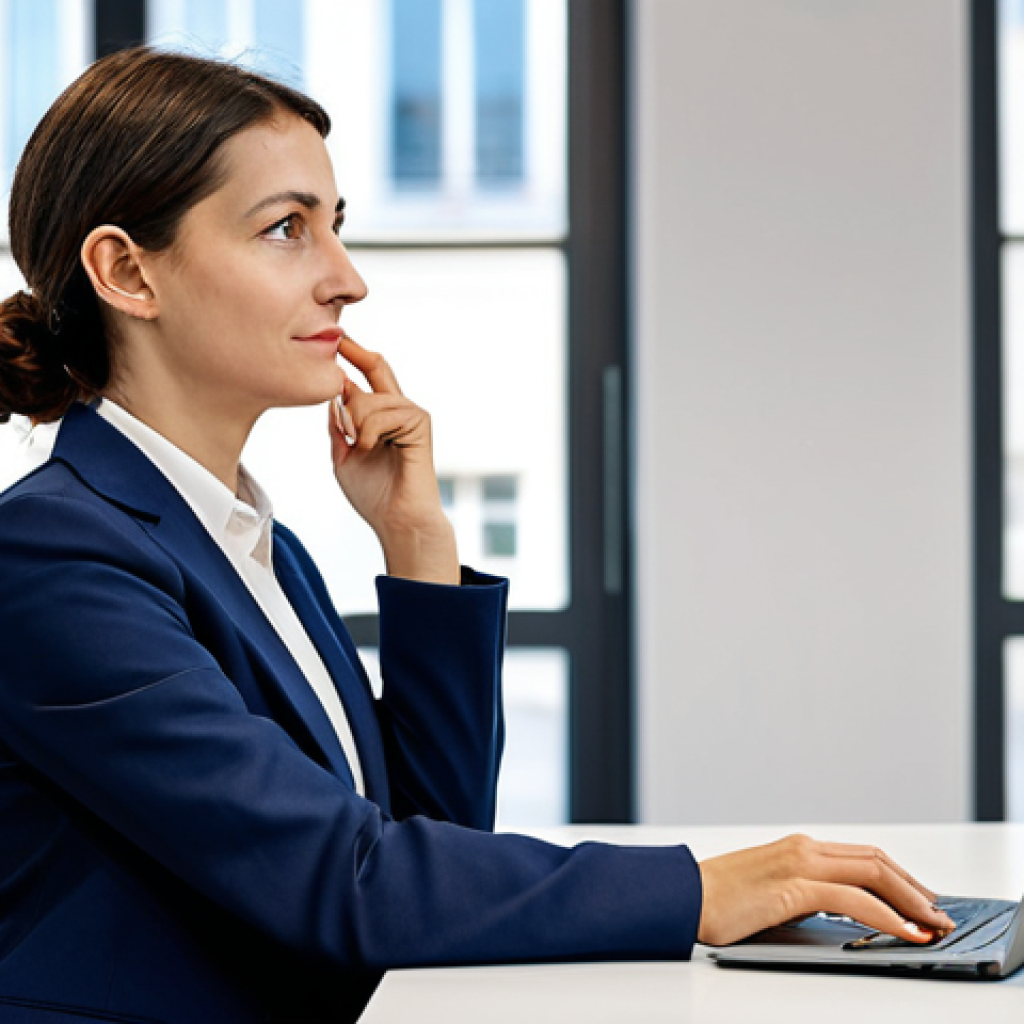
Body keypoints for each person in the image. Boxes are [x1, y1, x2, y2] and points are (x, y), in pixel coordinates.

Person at [0, 48, 953, 1024]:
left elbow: (428, 838)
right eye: (286, 228)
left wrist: (415, 542)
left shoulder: (250, 542)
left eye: (338, 228)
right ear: (126, 271)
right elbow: (343, 878)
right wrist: (698, 890)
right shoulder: (53, 557)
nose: (347, 281)